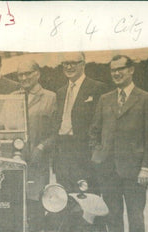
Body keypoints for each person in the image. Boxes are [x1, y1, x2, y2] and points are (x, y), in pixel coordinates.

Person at [89, 55, 148, 232]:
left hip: (135, 170)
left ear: (131, 70)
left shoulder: (146, 99)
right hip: (107, 169)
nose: (116, 73)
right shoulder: (105, 99)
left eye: (120, 69)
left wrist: (146, 167)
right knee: (112, 216)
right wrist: (97, 155)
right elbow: (94, 131)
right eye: (113, 70)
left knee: (136, 217)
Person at [37, 52, 105, 191]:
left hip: (84, 152)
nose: (69, 67)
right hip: (62, 152)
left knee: (86, 196)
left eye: (74, 63)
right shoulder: (61, 92)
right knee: (64, 197)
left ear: (83, 64)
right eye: (66, 63)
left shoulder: (97, 87)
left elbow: (101, 124)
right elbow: (58, 123)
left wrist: (96, 152)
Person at [16, 60, 56, 215]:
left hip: (38, 162)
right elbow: (2, 127)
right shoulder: (12, 98)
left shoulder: (50, 97)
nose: (24, 77)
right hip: (16, 161)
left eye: (28, 73)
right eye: (21, 74)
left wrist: (42, 147)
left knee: (36, 205)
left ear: (37, 74)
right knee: (14, 203)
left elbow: (56, 132)